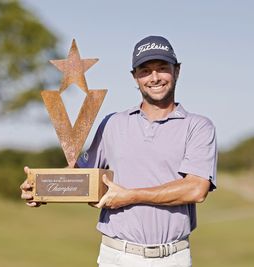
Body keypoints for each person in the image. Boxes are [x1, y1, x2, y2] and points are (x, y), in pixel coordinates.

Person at [20, 35, 217, 267]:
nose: (154, 77)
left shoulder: (198, 126)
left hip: (172, 257)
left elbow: (196, 189)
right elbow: (83, 176)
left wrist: (130, 195)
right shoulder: (112, 123)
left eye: (162, 68)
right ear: (135, 76)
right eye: (145, 71)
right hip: (117, 255)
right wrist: (43, 187)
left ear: (177, 71)